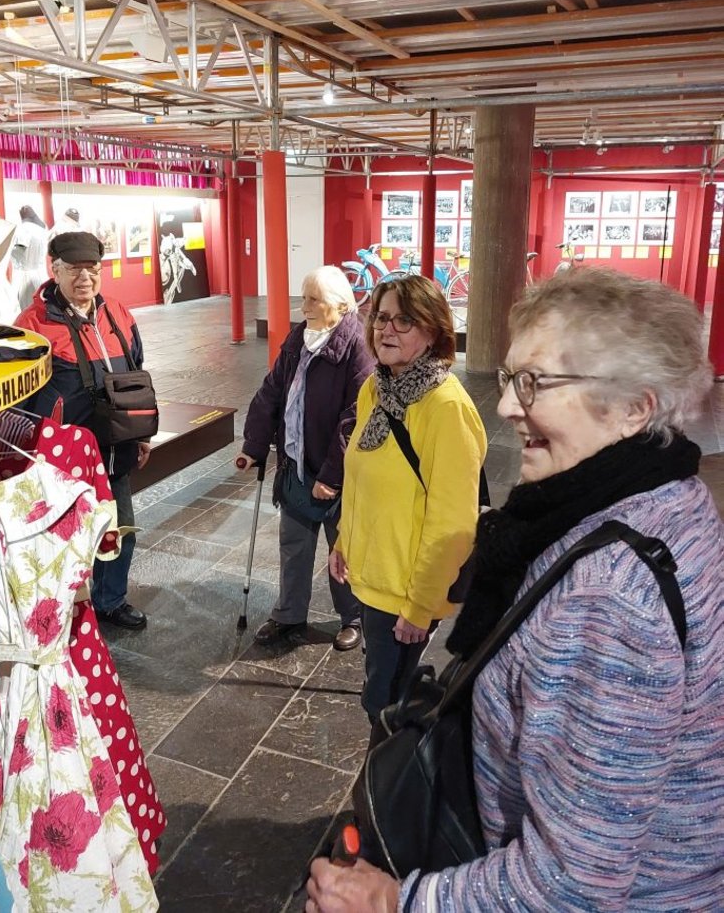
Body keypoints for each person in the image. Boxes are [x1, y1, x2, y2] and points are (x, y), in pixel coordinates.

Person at [308, 268, 724, 913]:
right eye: (509, 378)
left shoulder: (609, 598)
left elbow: (576, 882)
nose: (504, 405)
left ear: (635, 408)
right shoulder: (667, 498)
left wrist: (397, 901)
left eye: (535, 383)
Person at [329, 275, 486, 724]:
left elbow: (453, 525)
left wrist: (420, 606)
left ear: (433, 332)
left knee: (386, 707)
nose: (387, 330)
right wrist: (343, 540)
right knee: (380, 689)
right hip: (373, 574)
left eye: (404, 321)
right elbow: (361, 477)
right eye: (381, 318)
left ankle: (388, 769)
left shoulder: (446, 407)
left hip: (405, 592)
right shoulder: (375, 388)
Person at [16, 231, 151, 630]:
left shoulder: (118, 314)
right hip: (64, 456)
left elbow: (138, 371)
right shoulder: (32, 325)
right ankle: (58, 608)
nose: (85, 278)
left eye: (92, 269)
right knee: (63, 534)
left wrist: (142, 433)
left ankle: (110, 601)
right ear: (54, 270)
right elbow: (20, 398)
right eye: (74, 269)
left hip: (116, 445)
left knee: (119, 529)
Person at [236, 266, 374, 651]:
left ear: (341, 306)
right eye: (304, 297)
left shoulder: (358, 346)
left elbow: (354, 418)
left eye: (315, 300)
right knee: (294, 544)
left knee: (343, 547)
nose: (305, 306)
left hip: (338, 472)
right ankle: (289, 614)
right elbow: (272, 391)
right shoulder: (299, 337)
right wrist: (253, 446)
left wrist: (331, 475)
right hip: (297, 463)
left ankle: (353, 617)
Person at [11, 204, 49, 310]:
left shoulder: (22, 230)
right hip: (41, 275)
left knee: (25, 309)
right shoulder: (42, 230)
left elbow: (19, 252)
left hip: (23, 276)